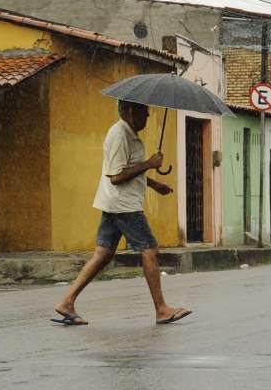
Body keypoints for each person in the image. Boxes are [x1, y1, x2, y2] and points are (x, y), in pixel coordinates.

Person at [53, 100, 192, 326]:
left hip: (115, 203)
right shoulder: (119, 135)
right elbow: (116, 176)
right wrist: (148, 163)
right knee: (150, 250)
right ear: (129, 112)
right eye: (143, 112)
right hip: (123, 205)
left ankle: (67, 302)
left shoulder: (129, 134)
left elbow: (128, 170)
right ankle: (162, 309)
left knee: (103, 254)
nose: (147, 116)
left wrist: (155, 184)